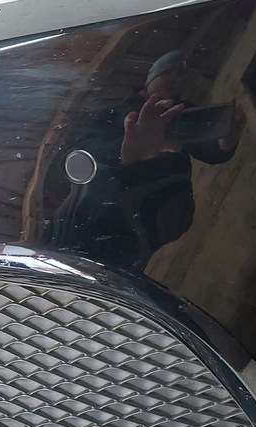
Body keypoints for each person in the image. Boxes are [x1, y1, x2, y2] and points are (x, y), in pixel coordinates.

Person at [50, 51, 244, 269]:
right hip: (101, 225)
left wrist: (224, 144)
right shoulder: (119, 112)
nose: (174, 79)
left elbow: (207, 150)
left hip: (152, 230)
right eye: (167, 73)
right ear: (148, 82)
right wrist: (125, 152)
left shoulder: (182, 112)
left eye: (178, 74)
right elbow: (76, 154)